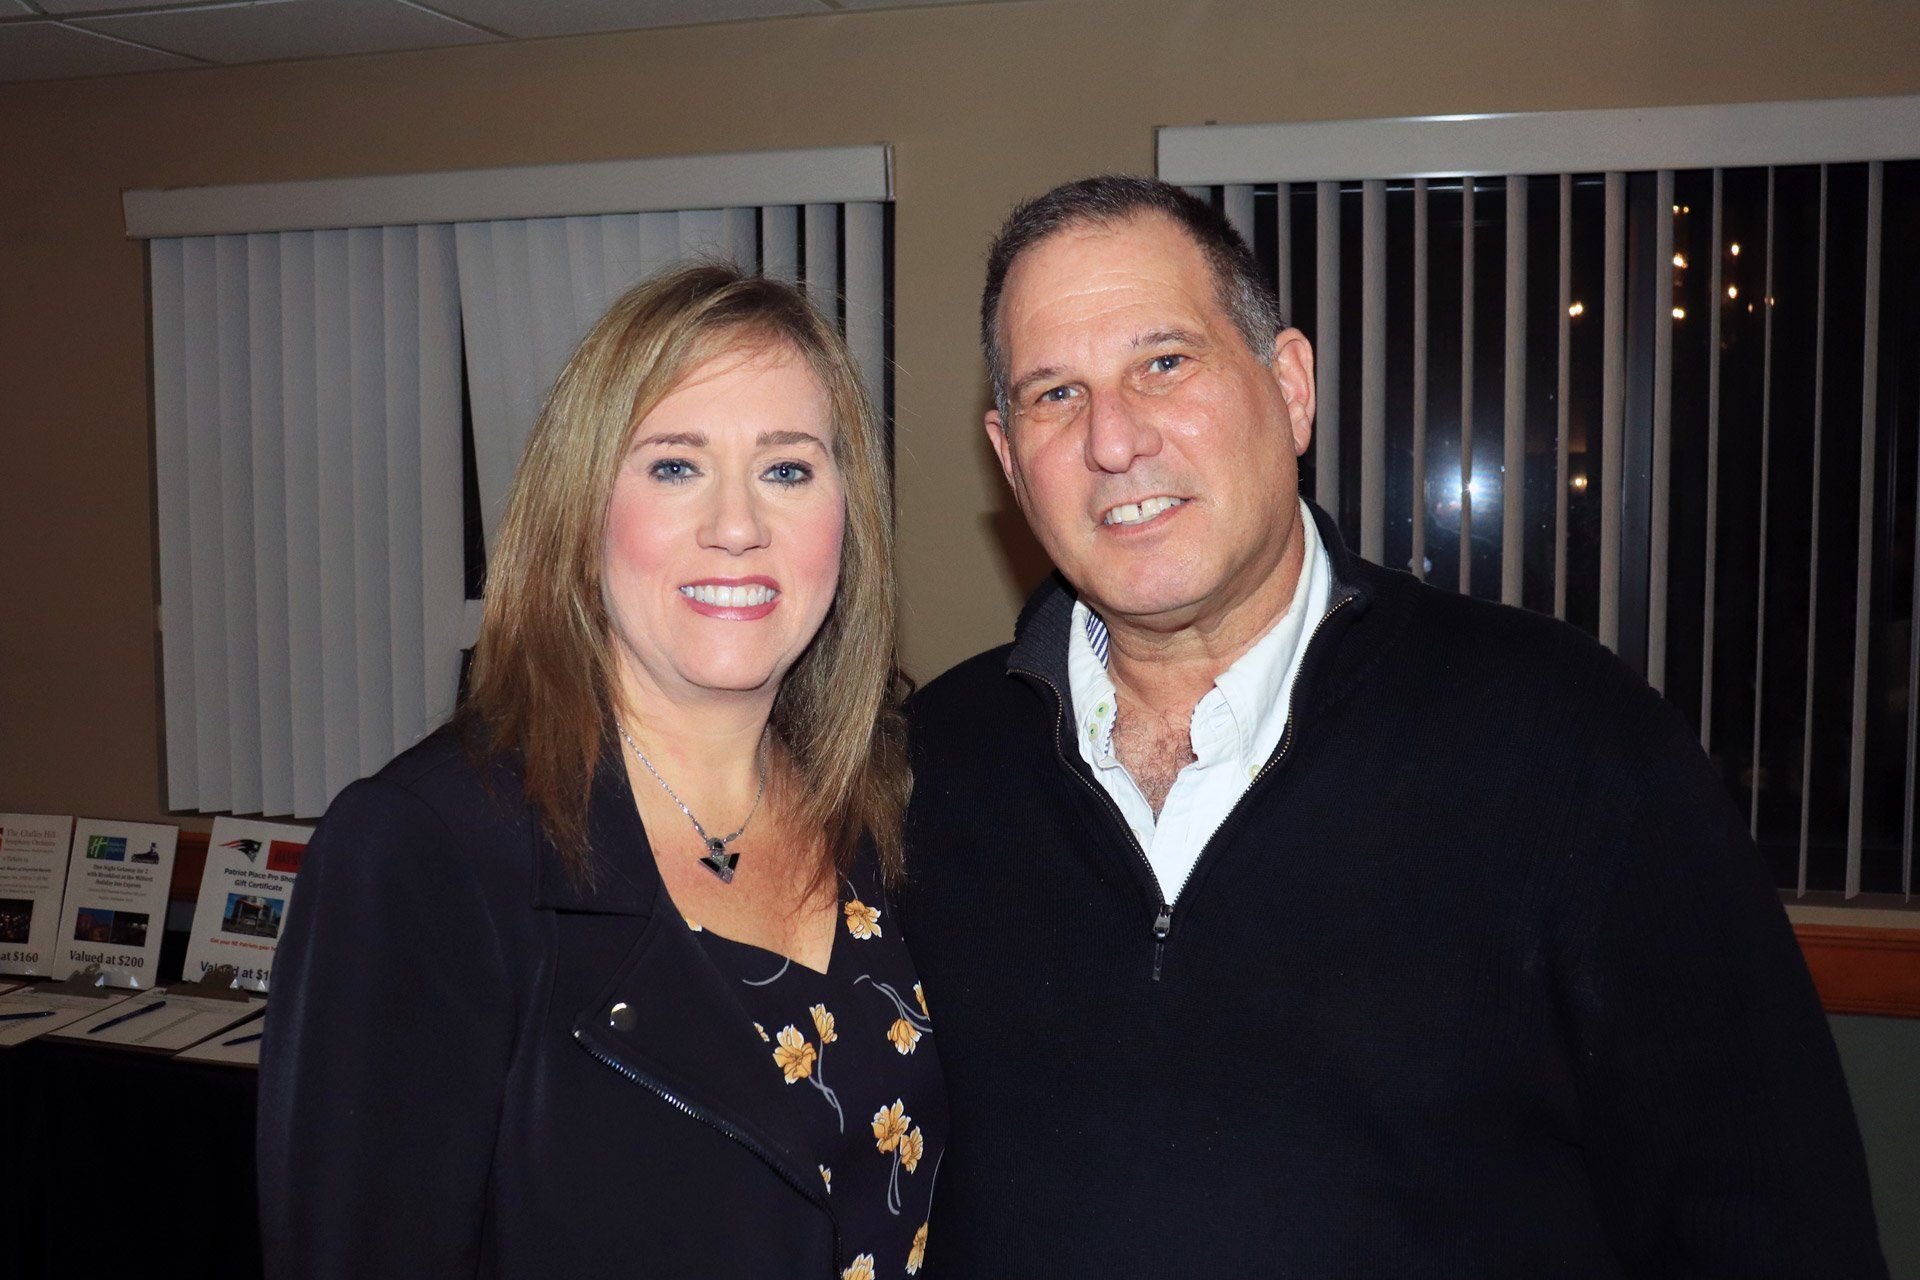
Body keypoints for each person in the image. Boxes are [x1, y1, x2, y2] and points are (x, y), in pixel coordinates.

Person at [898, 176, 1885, 1276]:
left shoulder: (1571, 745)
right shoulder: (926, 764)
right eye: (1054, 394)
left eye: (1163, 362)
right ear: (1007, 456)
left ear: (1290, 386)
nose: (1115, 439)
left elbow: (1771, 1216)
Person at [259, 264, 945, 1280]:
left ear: (849, 518)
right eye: (675, 466)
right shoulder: (428, 849)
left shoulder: (885, 806)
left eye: (788, 468)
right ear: (582, 516)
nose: (738, 523)